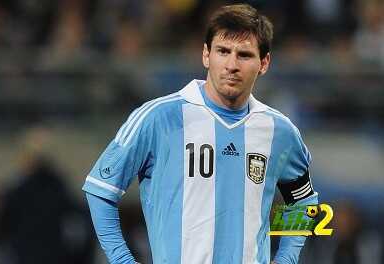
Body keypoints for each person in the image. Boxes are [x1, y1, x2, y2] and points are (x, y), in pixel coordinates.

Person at [82, 4, 318, 264]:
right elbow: (100, 190)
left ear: (264, 63)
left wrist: (287, 258)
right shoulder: (158, 118)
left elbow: (302, 200)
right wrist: (122, 260)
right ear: (206, 55)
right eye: (223, 51)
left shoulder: (279, 130)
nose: (231, 64)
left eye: (244, 55)